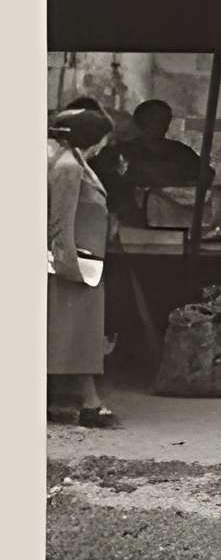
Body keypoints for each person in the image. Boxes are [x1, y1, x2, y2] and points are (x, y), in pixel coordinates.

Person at [49, 108, 118, 429]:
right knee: (77, 333)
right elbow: (60, 218)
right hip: (74, 262)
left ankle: (72, 401)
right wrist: (66, 263)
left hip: (86, 259)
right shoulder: (68, 167)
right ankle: (90, 403)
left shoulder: (77, 163)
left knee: (75, 333)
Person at [107, 99, 207, 223]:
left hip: (172, 220)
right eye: (156, 119)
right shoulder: (121, 151)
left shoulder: (181, 152)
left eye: (166, 120)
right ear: (141, 121)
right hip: (130, 221)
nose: (163, 125)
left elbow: (205, 175)